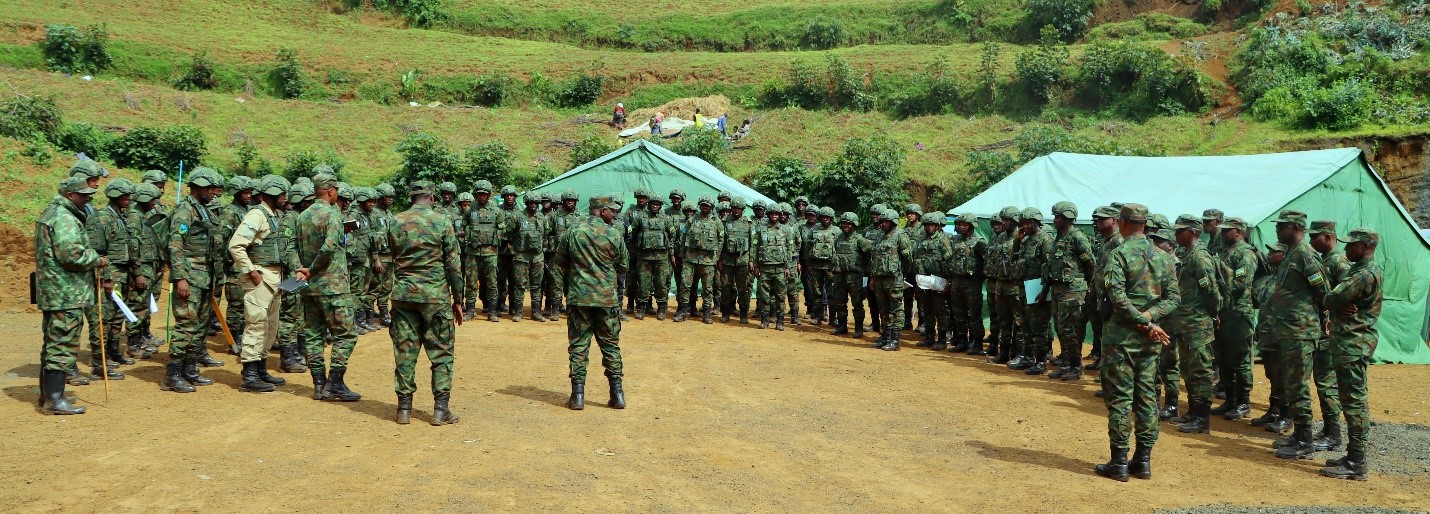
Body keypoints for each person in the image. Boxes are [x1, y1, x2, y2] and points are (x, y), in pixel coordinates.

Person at [1096, 204, 1179, 482]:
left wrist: (1143, 321)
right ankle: (1143, 462)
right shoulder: (1163, 257)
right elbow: (1173, 299)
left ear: (1121, 222)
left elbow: (1117, 298)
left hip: (1121, 340)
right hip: (1150, 341)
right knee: (1147, 399)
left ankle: (1119, 463)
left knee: (1120, 399)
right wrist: (1151, 319)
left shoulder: (1118, 254)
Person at [386, 181, 465, 426]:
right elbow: (453, 265)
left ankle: (404, 409)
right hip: (434, 296)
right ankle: (441, 410)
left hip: (404, 295)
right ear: (432, 198)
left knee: (405, 351)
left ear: (412, 198)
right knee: (441, 352)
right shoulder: (442, 221)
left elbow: (392, 257)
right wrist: (458, 299)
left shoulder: (395, 221)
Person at [34, 177, 109, 414]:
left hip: (56, 291)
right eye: (83, 194)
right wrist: (97, 259)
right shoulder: (64, 217)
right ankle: (54, 400)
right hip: (66, 292)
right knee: (62, 345)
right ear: (69, 195)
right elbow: (72, 256)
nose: (88, 198)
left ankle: (48, 396)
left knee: (52, 343)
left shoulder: (51, 213)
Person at [554, 194, 628, 411]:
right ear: (602, 211)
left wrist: (575, 276)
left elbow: (559, 262)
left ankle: (577, 396)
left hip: (579, 298)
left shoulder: (573, 231)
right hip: (606, 299)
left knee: (579, 346)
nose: (614, 214)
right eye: (612, 211)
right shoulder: (613, 233)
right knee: (610, 345)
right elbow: (623, 265)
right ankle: (617, 395)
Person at [1266, 210, 1330, 460]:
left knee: (1298, 385)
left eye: (1281, 226)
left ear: (1294, 228)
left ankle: (1305, 440)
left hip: (1301, 332)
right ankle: (1298, 435)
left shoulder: (1305, 254)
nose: (1277, 229)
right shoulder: (1291, 253)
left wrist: (1322, 318)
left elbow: (1323, 291)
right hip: (1289, 330)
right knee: (1291, 384)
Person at [1321, 228, 1381, 481]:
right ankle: (1352, 456)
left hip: (1353, 344)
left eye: (1351, 245)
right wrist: (1336, 303)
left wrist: (1333, 301)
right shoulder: (1360, 270)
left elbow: (1331, 298)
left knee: (1354, 401)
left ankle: (1357, 462)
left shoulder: (1363, 274)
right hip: (1351, 343)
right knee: (1351, 399)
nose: (1346, 248)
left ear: (1365, 246)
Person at [295, 173, 362, 402]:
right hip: (333, 286)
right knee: (346, 334)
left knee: (313, 335)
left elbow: (292, 247)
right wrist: (312, 268)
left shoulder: (302, 216)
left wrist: (302, 270)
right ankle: (334, 383)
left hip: (309, 287)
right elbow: (329, 247)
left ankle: (318, 384)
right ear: (331, 191)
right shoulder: (333, 215)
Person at [161, 168, 226, 393]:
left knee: (199, 325)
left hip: (205, 277)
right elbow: (175, 244)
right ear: (198, 188)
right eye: (210, 189)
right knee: (186, 325)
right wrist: (180, 278)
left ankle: (190, 369)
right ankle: (173, 375)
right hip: (190, 277)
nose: (214, 193)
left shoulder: (203, 210)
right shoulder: (185, 210)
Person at [226, 175, 292, 393]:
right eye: (281, 194)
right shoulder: (257, 215)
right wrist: (251, 271)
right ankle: (250, 375)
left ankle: (261, 369)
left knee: (270, 326)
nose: (285, 198)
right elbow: (236, 245)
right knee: (256, 324)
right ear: (271, 194)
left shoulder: (273, 216)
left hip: (275, 278)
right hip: (261, 277)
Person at [1165, 214, 1221, 433]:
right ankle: (1192, 412)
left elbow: (1211, 291)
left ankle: (1202, 418)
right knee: (1188, 369)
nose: (1176, 235)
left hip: (1198, 323)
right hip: (1185, 322)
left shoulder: (1200, 257)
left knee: (1200, 371)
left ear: (1193, 232)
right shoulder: (1187, 254)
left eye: (1180, 231)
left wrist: (1213, 314)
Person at [88, 178, 137, 380]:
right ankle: (99, 359)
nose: (129, 199)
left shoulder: (120, 216)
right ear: (115, 196)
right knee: (103, 318)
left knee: (117, 316)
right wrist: (106, 277)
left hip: (122, 273)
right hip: (108, 273)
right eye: (125, 196)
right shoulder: (103, 218)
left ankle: (113, 350)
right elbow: (99, 250)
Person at [1308, 220, 1350, 452]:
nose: (1311, 241)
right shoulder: (1324, 260)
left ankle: (1333, 434)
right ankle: (1327, 429)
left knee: (1327, 382)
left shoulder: (1338, 261)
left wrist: (1339, 309)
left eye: (1314, 237)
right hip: (1321, 330)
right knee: (1321, 380)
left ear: (1327, 236)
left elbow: (1350, 291)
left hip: (1330, 332)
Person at [1211, 217, 1257, 420]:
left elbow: (1241, 283)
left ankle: (1243, 402)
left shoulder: (1245, 253)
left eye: (1226, 230)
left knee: (1240, 360)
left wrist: (1218, 293)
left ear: (1238, 232)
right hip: (1224, 313)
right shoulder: (1226, 251)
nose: (1222, 234)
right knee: (1223, 358)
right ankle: (1230, 399)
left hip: (1239, 313)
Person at [1043, 202, 1094, 380]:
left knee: (1069, 329)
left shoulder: (1077, 237)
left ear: (1067, 218)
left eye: (1057, 217)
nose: (1054, 220)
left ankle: (1076, 366)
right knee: (1060, 328)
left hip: (1073, 289)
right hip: (1058, 288)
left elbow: (1090, 264)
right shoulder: (1059, 237)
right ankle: (1066, 363)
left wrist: (1086, 286)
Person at [123, 183, 165, 360]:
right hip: (141, 266)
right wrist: (137, 272)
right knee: (138, 305)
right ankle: (133, 344)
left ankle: (141, 338)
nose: (155, 203)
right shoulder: (134, 217)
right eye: (152, 200)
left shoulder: (141, 215)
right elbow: (133, 246)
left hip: (149, 264)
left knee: (145, 304)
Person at [1012, 207, 1054, 374]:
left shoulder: (1045, 239)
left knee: (1039, 328)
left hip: (1038, 288)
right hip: (1025, 287)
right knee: (1026, 326)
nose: (1026, 226)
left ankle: (1041, 362)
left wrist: (1044, 292)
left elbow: (1050, 267)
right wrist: (1017, 241)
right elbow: (1014, 259)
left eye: (1029, 223)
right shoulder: (1025, 240)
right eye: (1023, 223)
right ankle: (1028, 358)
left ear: (1037, 223)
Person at [217, 176, 256, 355]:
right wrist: (228, 261)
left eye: (249, 192)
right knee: (236, 305)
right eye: (245, 193)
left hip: (248, 264)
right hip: (235, 266)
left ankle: (244, 336)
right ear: (236, 193)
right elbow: (221, 240)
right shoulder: (229, 213)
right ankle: (234, 339)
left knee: (248, 304)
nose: (248, 196)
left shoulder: (249, 211)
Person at [276, 182, 312, 373]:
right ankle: (287, 358)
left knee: (301, 315)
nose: (312, 203)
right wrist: (297, 268)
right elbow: (286, 249)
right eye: (308, 200)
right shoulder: (290, 219)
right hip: (293, 274)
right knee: (289, 315)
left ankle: (300, 352)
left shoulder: (303, 217)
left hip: (303, 273)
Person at [870, 207, 912, 350]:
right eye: (882, 221)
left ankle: (895, 339)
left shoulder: (900, 235)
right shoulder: (880, 236)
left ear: (893, 222)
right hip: (879, 278)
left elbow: (907, 259)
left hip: (894, 279)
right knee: (883, 308)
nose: (883, 224)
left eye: (886, 221)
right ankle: (885, 336)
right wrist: (873, 277)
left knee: (896, 309)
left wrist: (901, 274)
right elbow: (874, 258)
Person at [678, 196, 724, 323]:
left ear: (711, 207)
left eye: (707, 206)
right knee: (685, 285)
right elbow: (683, 234)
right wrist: (682, 254)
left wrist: (717, 257)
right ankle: (683, 311)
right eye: (703, 205)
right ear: (700, 206)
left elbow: (721, 240)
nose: (705, 207)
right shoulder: (692, 219)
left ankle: (707, 314)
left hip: (707, 260)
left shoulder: (717, 222)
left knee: (707, 288)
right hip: (690, 259)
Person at [945, 213, 986, 354]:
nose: (961, 227)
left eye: (965, 225)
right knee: (958, 314)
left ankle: (977, 342)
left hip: (971, 284)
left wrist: (978, 280)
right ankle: (962, 341)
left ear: (972, 226)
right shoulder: (955, 240)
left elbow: (986, 264)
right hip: (956, 282)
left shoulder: (979, 243)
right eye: (959, 224)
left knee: (974, 314)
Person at [464, 180, 504, 322]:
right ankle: (470, 310)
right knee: (471, 282)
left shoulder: (496, 210)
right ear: (476, 195)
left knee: (492, 282)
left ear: (489, 195)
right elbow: (464, 225)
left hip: (490, 252)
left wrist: (493, 237)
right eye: (479, 194)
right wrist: (470, 235)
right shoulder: (470, 209)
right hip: (472, 252)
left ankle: (492, 311)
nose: (482, 196)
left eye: (484, 194)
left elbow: (501, 229)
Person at [912, 212, 953, 350]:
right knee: (927, 309)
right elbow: (916, 260)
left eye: (933, 225)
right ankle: (929, 337)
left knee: (940, 311)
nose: (930, 227)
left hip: (938, 280)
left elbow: (949, 261)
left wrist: (949, 281)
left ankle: (942, 339)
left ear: (937, 226)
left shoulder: (943, 240)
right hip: (923, 281)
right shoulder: (920, 241)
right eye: (927, 224)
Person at [509, 194, 552, 322]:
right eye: (531, 203)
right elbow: (509, 233)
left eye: (536, 203)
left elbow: (546, 234)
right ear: (526, 203)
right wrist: (517, 246)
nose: (533, 205)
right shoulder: (517, 216)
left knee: (537, 285)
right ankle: (518, 312)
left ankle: (536, 312)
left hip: (537, 257)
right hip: (521, 257)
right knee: (519, 285)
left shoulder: (542, 218)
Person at [829, 212, 871, 338]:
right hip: (840, 276)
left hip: (855, 277)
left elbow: (868, 255)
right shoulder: (838, 239)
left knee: (857, 304)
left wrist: (865, 272)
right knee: (840, 302)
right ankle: (842, 327)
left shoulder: (859, 240)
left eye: (848, 224)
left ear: (854, 225)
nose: (845, 226)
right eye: (843, 223)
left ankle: (858, 329)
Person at [753, 204, 795, 330]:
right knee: (764, 296)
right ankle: (764, 320)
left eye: (776, 214)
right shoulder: (761, 229)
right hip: (765, 269)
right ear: (768, 215)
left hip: (780, 269)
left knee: (780, 296)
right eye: (772, 214)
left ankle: (780, 322)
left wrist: (788, 267)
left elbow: (790, 250)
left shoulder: (786, 230)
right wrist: (755, 265)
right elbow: (755, 247)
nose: (774, 216)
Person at [987, 207, 1020, 364]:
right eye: (1003, 220)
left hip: (1015, 286)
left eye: (1007, 220)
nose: (1003, 223)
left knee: (1019, 323)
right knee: (1004, 322)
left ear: (1014, 221)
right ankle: (1004, 353)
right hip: (1000, 285)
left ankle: (1018, 354)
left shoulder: (1021, 237)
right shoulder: (1000, 237)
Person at [633, 196, 674, 320]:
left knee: (661, 283)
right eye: (652, 204)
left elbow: (672, 234)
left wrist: (670, 250)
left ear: (660, 206)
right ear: (649, 204)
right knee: (643, 283)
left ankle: (661, 308)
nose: (654, 206)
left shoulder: (666, 218)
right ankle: (641, 308)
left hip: (661, 258)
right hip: (644, 257)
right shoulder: (640, 217)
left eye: (657, 204)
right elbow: (633, 232)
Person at [719, 198, 754, 323]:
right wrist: (719, 259)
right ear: (731, 208)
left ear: (743, 210)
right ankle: (725, 314)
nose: (736, 211)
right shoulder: (724, 221)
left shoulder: (748, 223)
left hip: (743, 261)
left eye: (739, 209)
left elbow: (752, 243)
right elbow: (720, 242)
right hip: (727, 260)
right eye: (734, 208)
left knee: (743, 288)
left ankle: (743, 315)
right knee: (726, 287)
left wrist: (751, 260)